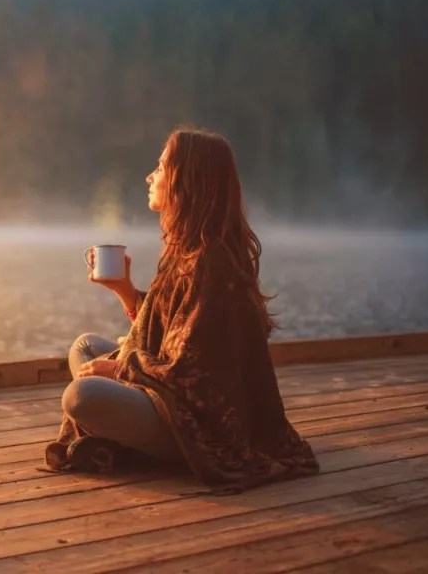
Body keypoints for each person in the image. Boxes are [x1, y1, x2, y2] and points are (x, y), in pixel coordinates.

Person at [44, 124, 320, 492]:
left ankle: (134, 444)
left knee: (82, 396)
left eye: (159, 167)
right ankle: (121, 434)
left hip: (204, 427)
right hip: (171, 395)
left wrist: (121, 368)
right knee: (85, 347)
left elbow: (195, 373)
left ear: (184, 180)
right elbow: (170, 330)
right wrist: (125, 291)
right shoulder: (186, 249)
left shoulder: (211, 262)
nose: (150, 176)